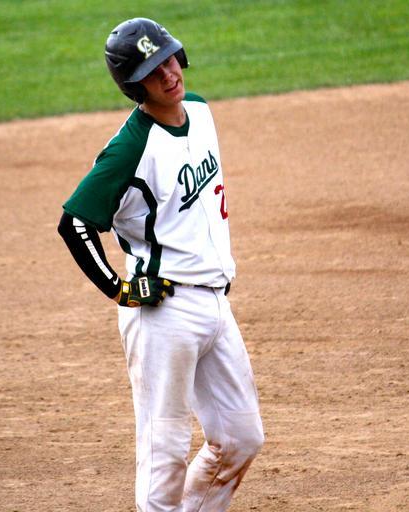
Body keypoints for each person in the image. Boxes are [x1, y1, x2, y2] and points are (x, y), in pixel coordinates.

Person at [57, 17, 264, 511]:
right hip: (164, 313)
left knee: (240, 437)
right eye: (152, 72)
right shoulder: (130, 147)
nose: (169, 74)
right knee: (164, 449)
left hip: (215, 302)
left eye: (169, 60)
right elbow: (75, 222)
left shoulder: (201, 112)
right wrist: (119, 288)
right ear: (135, 84)